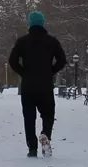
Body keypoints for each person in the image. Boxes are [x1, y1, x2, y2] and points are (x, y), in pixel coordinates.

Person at [8, 11, 67, 157]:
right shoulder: (52, 41)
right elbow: (62, 60)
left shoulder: (22, 41)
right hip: (45, 85)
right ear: (42, 23)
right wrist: (51, 71)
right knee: (48, 114)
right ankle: (45, 133)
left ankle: (32, 148)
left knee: (29, 118)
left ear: (30, 23)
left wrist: (23, 72)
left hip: (28, 86)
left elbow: (12, 61)